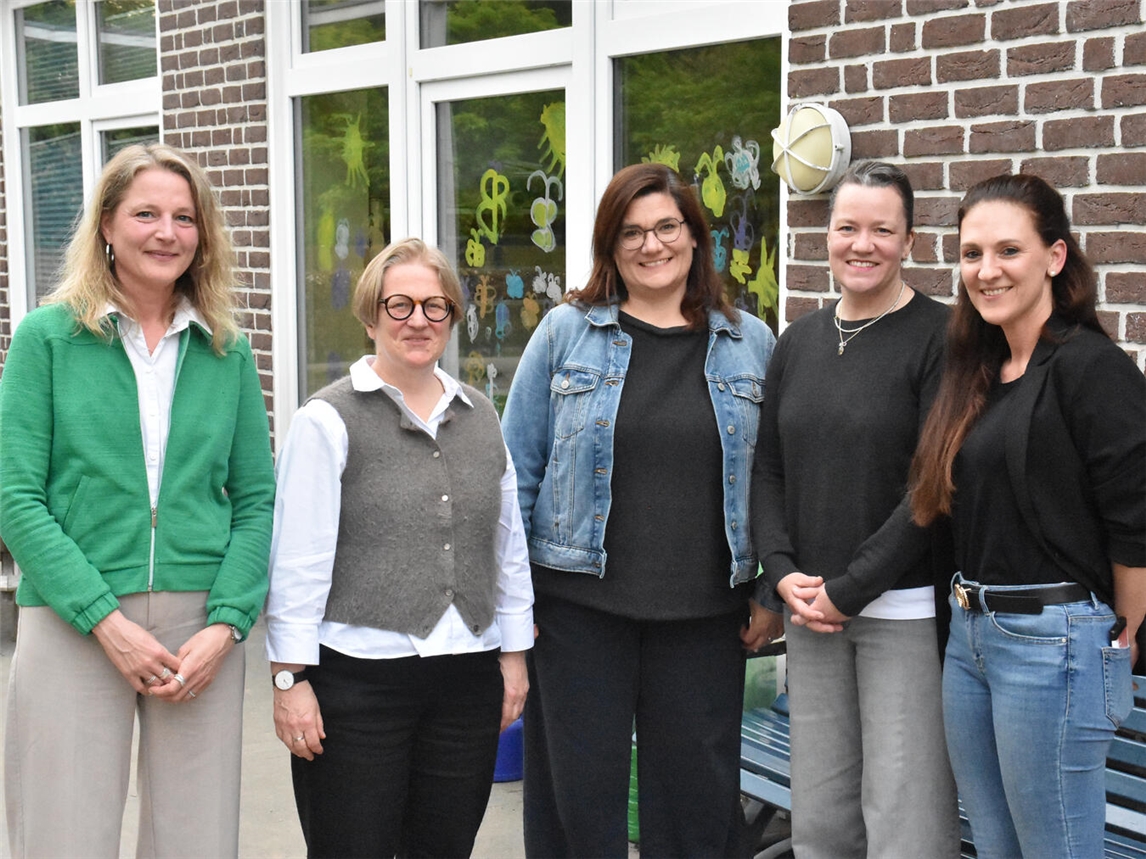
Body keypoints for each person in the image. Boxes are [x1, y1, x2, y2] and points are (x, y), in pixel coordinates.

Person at [1, 143, 275, 858]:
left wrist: (229, 622)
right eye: (146, 213)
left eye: (185, 217)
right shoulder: (46, 340)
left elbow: (255, 499)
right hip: (72, 618)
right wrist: (103, 619)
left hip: (198, 628)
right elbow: (17, 497)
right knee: (63, 834)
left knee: (197, 839)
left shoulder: (226, 348)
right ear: (107, 227)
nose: (167, 232)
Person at [501, 162, 779, 858]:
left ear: (694, 236)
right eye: (631, 231)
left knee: (696, 809)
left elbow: (776, 479)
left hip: (705, 618)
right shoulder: (566, 333)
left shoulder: (751, 342)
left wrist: (771, 589)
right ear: (609, 244)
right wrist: (511, 602)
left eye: (665, 227)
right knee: (577, 809)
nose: (650, 245)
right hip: (577, 610)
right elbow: (514, 472)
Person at [264, 237, 534, 858]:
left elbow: (506, 545)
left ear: (452, 317)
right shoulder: (326, 420)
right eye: (400, 305)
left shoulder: (481, 415)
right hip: (358, 684)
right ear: (371, 316)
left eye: (435, 306)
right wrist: (288, 679)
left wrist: (514, 655)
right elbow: (297, 563)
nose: (418, 321)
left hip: (466, 678)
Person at [910, 173, 1146, 857]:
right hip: (972, 638)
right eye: (971, 253)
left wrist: (1123, 619)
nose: (987, 271)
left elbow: (1136, 505)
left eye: (1009, 250)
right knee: (994, 845)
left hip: (1055, 646)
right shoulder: (979, 371)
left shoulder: (1089, 366)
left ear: (1055, 256)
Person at [751, 161, 961, 858]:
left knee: (906, 817)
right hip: (811, 610)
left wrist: (850, 588)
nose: (861, 244)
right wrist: (782, 573)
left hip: (900, 612)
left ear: (909, 239)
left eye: (881, 229)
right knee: (820, 818)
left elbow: (933, 485)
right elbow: (768, 468)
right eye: (847, 227)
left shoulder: (944, 336)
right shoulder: (799, 341)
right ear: (827, 235)